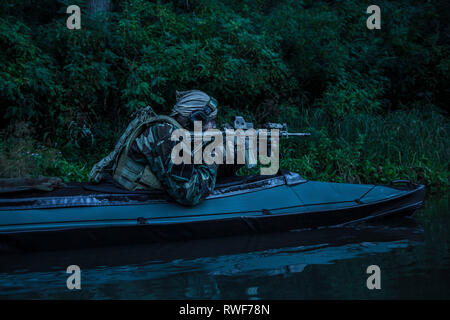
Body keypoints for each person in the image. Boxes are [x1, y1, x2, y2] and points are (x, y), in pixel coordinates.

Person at [89, 90, 219, 206]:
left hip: (133, 201)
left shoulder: (168, 131)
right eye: (210, 121)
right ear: (195, 118)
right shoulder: (168, 136)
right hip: (131, 204)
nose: (213, 127)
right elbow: (190, 194)